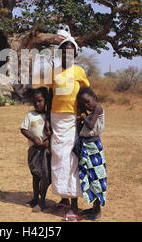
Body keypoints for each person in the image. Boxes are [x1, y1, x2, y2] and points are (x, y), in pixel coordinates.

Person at [45, 29, 90, 222]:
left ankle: (74, 206)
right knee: (58, 158)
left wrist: (84, 115)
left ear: (75, 54)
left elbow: (88, 95)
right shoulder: (53, 72)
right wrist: (47, 119)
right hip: (56, 118)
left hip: (73, 120)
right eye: (63, 51)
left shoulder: (79, 72)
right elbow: (48, 97)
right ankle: (64, 197)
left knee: (71, 160)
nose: (66, 55)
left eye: (70, 52)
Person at [73, 86, 107, 220]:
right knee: (90, 176)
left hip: (94, 147)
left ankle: (98, 211)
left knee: (97, 177)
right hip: (87, 146)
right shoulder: (90, 112)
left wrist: (83, 116)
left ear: (94, 97)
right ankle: (94, 207)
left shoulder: (98, 108)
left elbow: (91, 125)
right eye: (83, 104)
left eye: (87, 101)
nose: (86, 105)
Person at [20, 87, 51, 212]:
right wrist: (34, 139)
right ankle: (34, 199)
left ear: (45, 100)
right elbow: (23, 129)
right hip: (34, 150)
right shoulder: (30, 114)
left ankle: (42, 201)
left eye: (40, 101)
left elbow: (53, 132)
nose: (37, 104)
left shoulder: (49, 115)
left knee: (45, 176)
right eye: (34, 102)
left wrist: (47, 142)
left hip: (46, 151)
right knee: (35, 176)